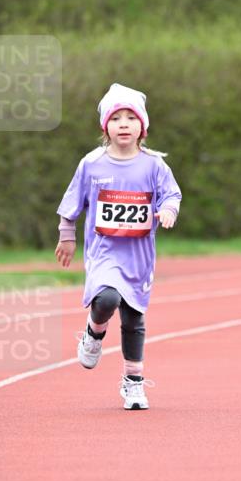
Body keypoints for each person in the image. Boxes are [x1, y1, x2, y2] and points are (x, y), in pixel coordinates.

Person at [54, 83, 182, 410]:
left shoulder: (154, 165)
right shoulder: (92, 164)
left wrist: (167, 210)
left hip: (138, 256)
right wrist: (66, 234)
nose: (123, 124)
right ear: (104, 127)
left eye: (131, 118)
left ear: (143, 127)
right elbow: (72, 203)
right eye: (116, 118)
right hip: (104, 252)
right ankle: (94, 333)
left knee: (133, 319)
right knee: (108, 297)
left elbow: (172, 194)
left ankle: (134, 383)